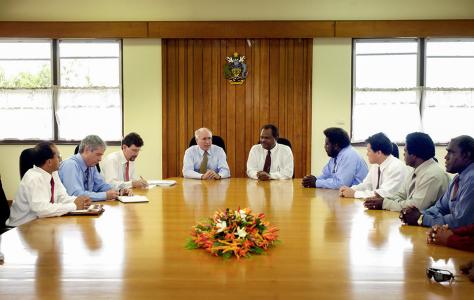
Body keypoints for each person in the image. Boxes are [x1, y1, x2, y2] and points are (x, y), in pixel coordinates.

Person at [7, 142, 91, 227]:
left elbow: (62, 198)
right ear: (49, 162)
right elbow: (42, 210)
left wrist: (79, 201)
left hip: (40, 224)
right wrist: (73, 206)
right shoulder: (33, 178)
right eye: (58, 156)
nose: (61, 160)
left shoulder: (53, 173)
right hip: (21, 228)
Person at [400, 135, 474, 229]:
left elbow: (460, 221)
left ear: (466, 155)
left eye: (451, 152)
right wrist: (415, 215)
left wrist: (422, 218)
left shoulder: (471, 180)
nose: (445, 157)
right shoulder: (458, 179)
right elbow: (440, 208)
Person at [364, 132, 449, 211]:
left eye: (405, 150)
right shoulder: (417, 169)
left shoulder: (432, 175)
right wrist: (386, 200)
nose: (403, 154)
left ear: (414, 155)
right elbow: (400, 195)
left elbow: (415, 207)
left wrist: (384, 203)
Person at [59, 135, 132, 201]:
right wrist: (105, 195)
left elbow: (101, 186)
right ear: (86, 150)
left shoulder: (91, 166)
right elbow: (76, 195)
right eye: (98, 155)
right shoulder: (70, 165)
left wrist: (118, 191)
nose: (100, 159)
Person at [340, 132, 407, 199]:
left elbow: (383, 194)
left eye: (369, 151)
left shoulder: (396, 167)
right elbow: (366, 185)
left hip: (395, 207)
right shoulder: (376, 165)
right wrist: (350, 189)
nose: (367, 154)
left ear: (378, 153)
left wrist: (355, 194)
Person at [303, 127, 367, 189]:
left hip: (358, 197)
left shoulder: (350, 155)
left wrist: (316, 183)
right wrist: (314, 179)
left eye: (327, 144)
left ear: (336, 145)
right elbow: (326, 175)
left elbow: (342, 184)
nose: (324, 147)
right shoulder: (336, 155)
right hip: (345, 195)